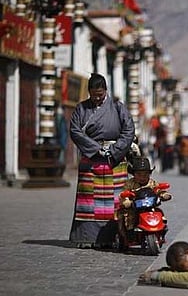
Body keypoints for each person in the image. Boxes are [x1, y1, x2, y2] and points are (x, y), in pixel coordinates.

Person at [69, 73, 135, 249]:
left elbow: (129, 131)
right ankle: (87, 237)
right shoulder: (81, 109)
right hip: (91, 158)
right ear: (89, 92)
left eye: (100, 94)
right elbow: (75, 131)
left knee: (114, 201)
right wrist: (95, 148)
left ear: (106, 90)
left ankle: (114, 236)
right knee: (89, 201)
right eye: (94, 94)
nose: (97, 98)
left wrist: (114, 150)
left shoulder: (118, 107)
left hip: (114, 160)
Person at [117, 157, 172, 248]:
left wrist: (164, 195)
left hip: (150, 207)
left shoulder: (152, 183)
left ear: (149, 174)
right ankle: (129, 235)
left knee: (159, 213)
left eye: (145, 174)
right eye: (139, 174)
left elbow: (158, 190)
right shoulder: (130, 183)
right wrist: (127, 201)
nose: (142, 177)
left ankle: (162, 229)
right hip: (135, 208)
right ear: (134, 174)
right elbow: (123, 194)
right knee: (129, 217)